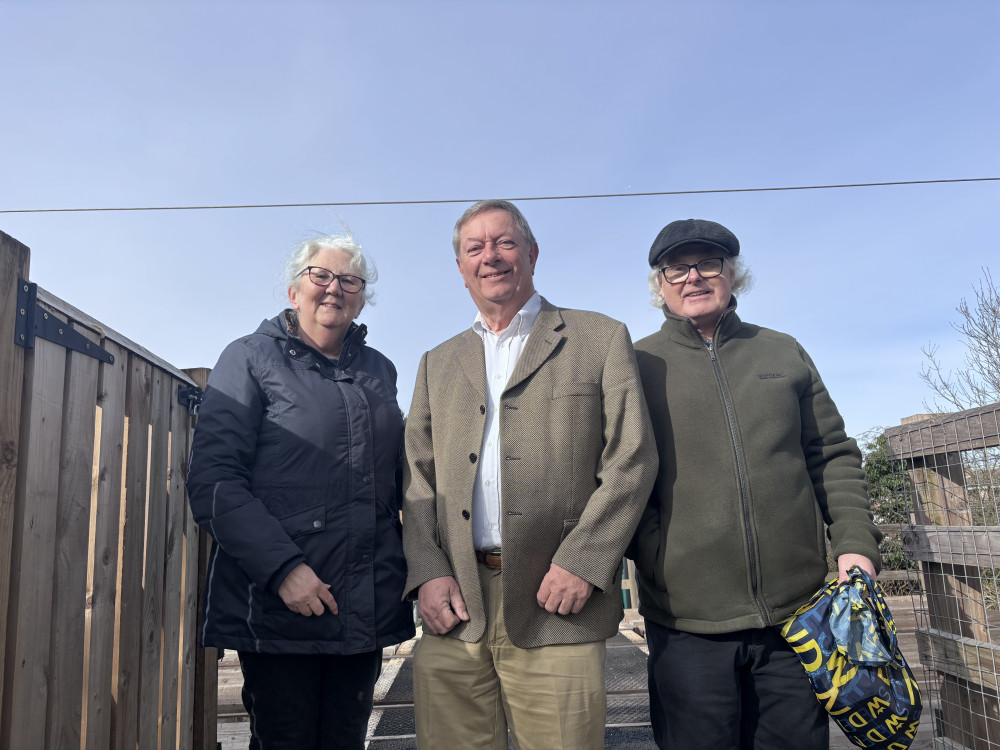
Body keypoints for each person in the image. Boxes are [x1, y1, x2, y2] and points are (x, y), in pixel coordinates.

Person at [402, 199, 658, 750]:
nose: (490, 256)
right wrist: (426, 570)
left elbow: (631, 458)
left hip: (557, 600)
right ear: (461, 267)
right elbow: (417, 479)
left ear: (532, 253)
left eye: (504, 242)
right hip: (455, 604)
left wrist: (584, 561)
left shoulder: (600, 337)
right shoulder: (435, 362)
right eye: (475, 247)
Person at [628, 218, 882, 749]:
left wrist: (855, 544)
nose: (694, 276)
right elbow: (619, 473)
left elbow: (832, 453)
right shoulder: (637, 364)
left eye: (709, 262)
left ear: (732, 274)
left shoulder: (782, 351)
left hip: (797, 616)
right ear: (660, 284)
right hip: (686, 618)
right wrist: (656, 553)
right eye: (678, 267)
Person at [186, 233, 415, 750]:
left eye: (349, 280)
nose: (334, 288)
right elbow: (213, 481)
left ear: (361, 297)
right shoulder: (248, 358)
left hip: (361, 604)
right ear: (295, 290)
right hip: (280, 606)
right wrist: (284, 570)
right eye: (321, 275)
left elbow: (401, 474)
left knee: (345, 739)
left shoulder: (379, 369)